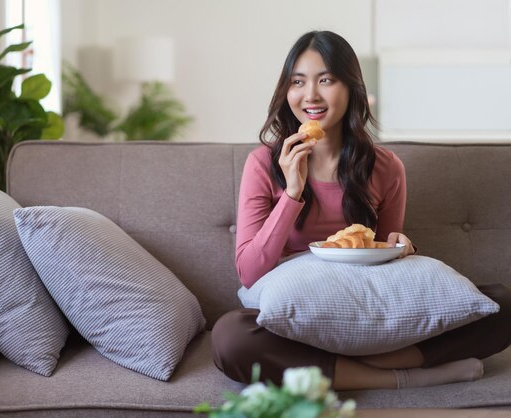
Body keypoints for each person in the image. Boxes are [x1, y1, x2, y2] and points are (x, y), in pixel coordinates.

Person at [211, 30, 511, 390]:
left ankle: (349, 366)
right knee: (230, 337)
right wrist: (292, 193)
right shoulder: (264, 163)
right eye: (297, 82)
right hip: (298, 313)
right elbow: (249, 271)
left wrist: (402, 247)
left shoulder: (385, 167)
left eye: (326, 80)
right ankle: (400, 377)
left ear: (351, 87)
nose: (310, 95)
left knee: (501, 304)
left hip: (364, 307)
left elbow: (386, 258)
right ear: (285, 91)